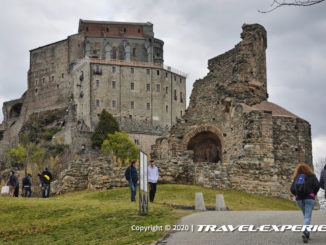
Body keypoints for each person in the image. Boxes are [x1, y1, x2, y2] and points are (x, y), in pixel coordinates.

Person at [290, 163, 320, 243]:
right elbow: (317, 185)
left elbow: (292, 189)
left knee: (306, 216)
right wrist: (314, 193)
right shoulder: (312, 176)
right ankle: (305, 232)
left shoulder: (296, 177)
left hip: (299, 199)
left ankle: (307, 234)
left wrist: (296, 195)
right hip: (309, 198)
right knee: (307, 216)